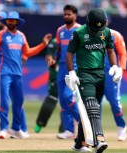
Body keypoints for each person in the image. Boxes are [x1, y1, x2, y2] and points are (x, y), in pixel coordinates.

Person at [65, 8, 122, 152]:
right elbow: (69, 54)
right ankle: (98, 140)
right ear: (88, 22)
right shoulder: (78, 33)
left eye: (99, 28)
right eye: (93, 28)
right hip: (84, 74)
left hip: (100, 74)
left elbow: (110, 51)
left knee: (90, 111)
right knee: (92, 107)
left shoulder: (107, 32)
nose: (96, 31)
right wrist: (72, 73)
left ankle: (79, 144)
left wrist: (115, 66)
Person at [0, 11, 52, 139]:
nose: (10, 22)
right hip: (3, 73)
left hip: (17, 74)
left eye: (13, 20)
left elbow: (28, 52)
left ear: (17, 22)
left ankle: (15, 129)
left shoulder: (21, 36)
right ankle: (3, 129)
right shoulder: (1, 35)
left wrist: (43, 45)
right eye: (8, 20)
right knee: (4, 101)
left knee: (19, 101)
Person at [50, 4, 81, 139]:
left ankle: (84, 123)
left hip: (74, 67)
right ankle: (69, 130)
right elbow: (58, 50)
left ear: (75, 15)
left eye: (69, 14)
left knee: (69, 96)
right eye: (65, 14)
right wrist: (54, 60)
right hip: (62, 67)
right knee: (63, 100)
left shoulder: (80, 30)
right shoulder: (60, 30)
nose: (66, 16)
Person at [103, 27, 127, 141]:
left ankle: (121, 127)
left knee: (114, 102)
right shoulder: (88, 34)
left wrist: (121, 69)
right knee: (94, 103)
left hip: (111, 74)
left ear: (106, 22)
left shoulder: (115, 34)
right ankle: (95, 131)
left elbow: (123, 53)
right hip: (93, 73)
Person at [34, 38, 64, 134]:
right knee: (52, 99)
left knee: (68, 101)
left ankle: (65, 128)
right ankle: (40, 123)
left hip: (69, 74)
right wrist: (52, 63)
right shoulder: (55, 42)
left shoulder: (75, 41)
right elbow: (48, 57)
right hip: (55, 75)